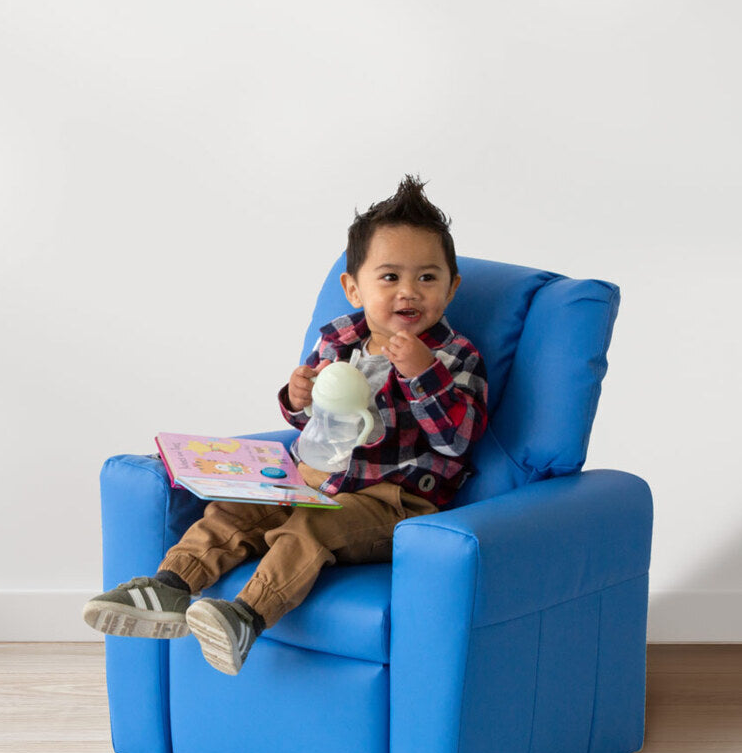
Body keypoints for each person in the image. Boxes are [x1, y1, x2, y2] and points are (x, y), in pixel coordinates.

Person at [83, 176, 489, 674]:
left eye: (427, 278)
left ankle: (247, 617)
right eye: (389, 278)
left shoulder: (455, 357)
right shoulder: (339, 340)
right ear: (353, 288)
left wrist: (423, 374)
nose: (409, 292)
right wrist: (297, 399)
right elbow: (316, 419)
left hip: (393, 502)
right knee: (232, 510)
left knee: (311, 527)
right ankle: (169, 587)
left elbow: (457, 442)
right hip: (311, 479)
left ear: (452, 288)